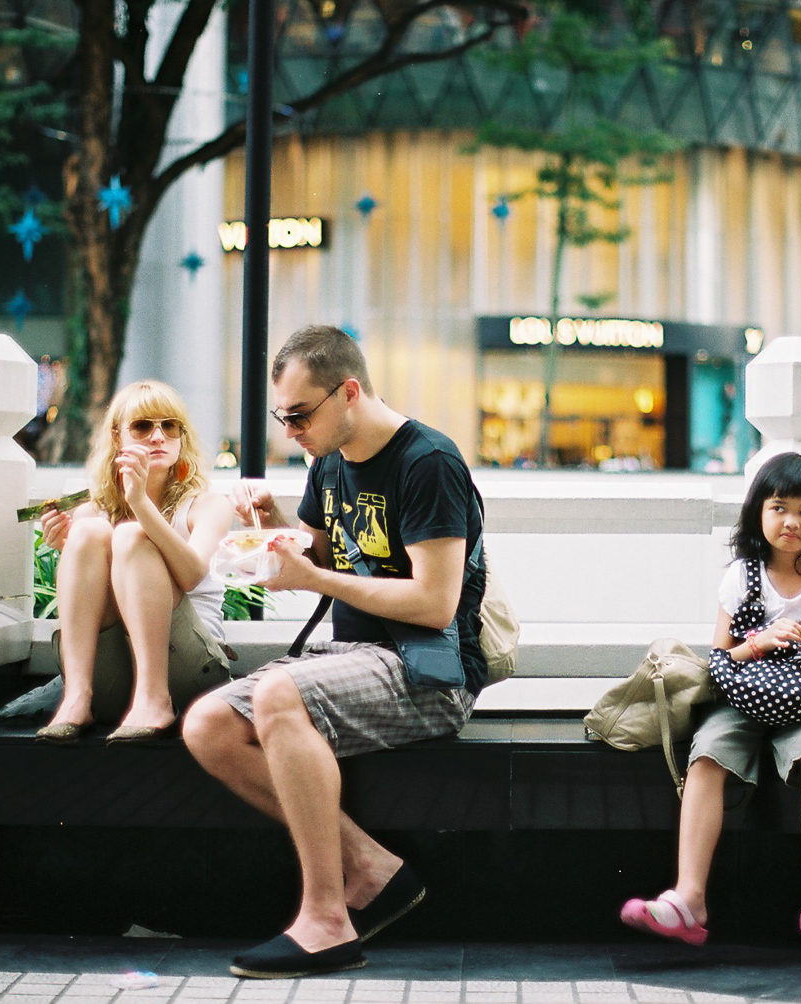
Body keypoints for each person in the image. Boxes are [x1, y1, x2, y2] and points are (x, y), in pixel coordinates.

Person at [182, 324, 485, 979]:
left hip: (429, 668)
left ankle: (326, 917)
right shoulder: (328, 462)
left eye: (299, 416)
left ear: (349, 392)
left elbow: (435, 604)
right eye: (281, 417)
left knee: (276, 694)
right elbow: (316, 557)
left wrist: (314, 577)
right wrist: (269, 524)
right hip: (352, 660)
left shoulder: (428, 462)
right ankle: (372, 868)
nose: (290, 432)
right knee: (207, 725)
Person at [620, 452, 801, 956]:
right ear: (758, 511)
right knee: (707, 754)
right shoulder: (741, 575)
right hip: (745, 699)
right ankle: (689, 897)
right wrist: (759, 642)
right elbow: (721, 655)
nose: (791, 522)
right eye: (779, 508)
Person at [34, 380, 235, 744]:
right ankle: (77, 698)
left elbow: (191, 575)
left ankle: (155, 699)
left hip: (190, 673)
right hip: (115, 679)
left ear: (181, 437)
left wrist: (140, 505)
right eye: (143, 426)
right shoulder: (93, 511)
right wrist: (68, 547)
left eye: (169, 426)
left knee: (129, 535)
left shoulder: (207, 505)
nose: (158, 437)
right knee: (87, 534)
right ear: (117, 438)